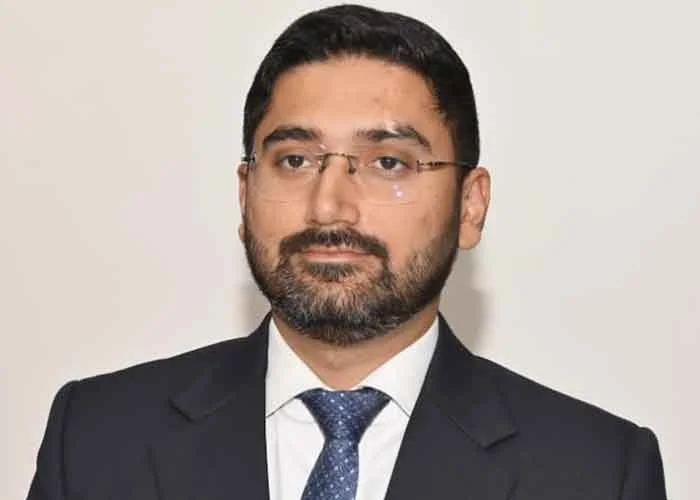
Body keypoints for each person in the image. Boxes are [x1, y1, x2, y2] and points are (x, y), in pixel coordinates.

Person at [27, 4, 666, 499]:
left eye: (388, 162)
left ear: (470, 206)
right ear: (245, 193)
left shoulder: (596, 471)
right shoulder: (96, 438)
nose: (329, 206)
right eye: (295, 160)